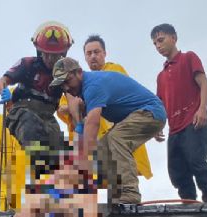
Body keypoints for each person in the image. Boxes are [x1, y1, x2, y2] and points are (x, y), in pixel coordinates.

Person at [52, 57, 166, 205]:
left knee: (116, 139)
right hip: (136, 115)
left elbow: (93, 124)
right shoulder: (83, 91)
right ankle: (116, 197)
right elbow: (83, 125)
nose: (66, 88)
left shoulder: (93, 86)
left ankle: (130, 192)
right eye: (62, 85)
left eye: (67, 81)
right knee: (102, 151)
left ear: (79, 72)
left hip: (150, 111)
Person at [57, 35, 152, 184]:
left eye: (97, 52)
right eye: (89, 53)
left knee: (119, 171)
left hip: (115, 131)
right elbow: (62, 108)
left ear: (104, 53)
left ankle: (127, 199)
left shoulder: (113, 70)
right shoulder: (76, 83)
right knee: (97, 176)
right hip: (94, 137)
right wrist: (74, 106)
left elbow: (130, 98)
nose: (93, 56)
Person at [0, 21, 73, 178]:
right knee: (30, 126)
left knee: (61, 148)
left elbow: (72, 99)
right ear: (39, 51)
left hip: (47, 117)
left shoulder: (64, 74)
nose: (51, 58)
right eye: (47, 54)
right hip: (21, 112)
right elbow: (1, 81)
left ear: (63, 54)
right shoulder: (27, 64)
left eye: (56, 55)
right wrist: (5, 94)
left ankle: (58, 190)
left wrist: (79, 126)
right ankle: (39, 175)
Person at [151, 24, 207, 203]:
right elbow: (161, 106)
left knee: (196, 160)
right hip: (174, 129)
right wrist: (157, 126)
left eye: (161, 40)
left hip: (193, 121)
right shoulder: (161, 76)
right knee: (177, 171)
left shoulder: (189, 58)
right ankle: (188, 204)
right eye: (154, 43)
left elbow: (204, 84)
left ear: (174, 38)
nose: (158, 45)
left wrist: (202, 108)